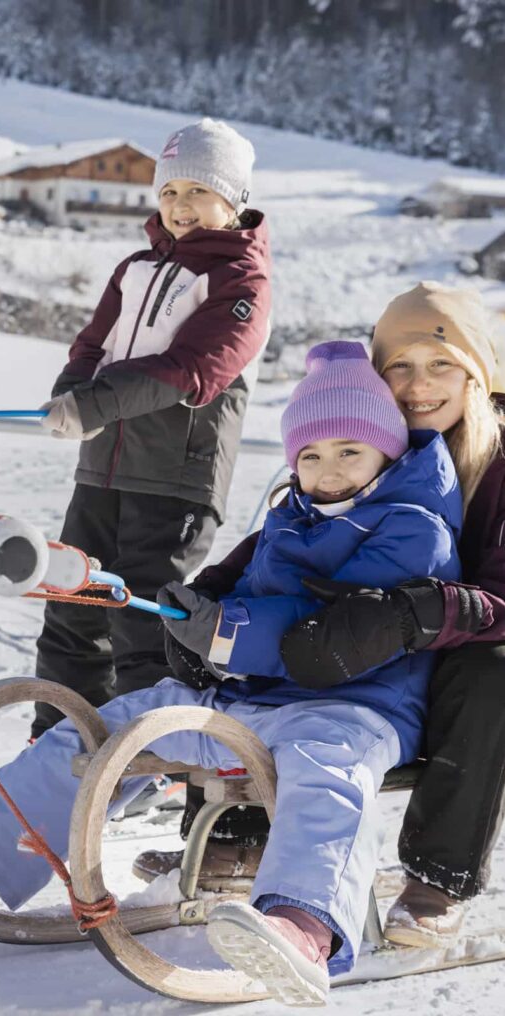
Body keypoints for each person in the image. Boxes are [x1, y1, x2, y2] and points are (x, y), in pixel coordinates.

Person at [0, 341, 462, 1006]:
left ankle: (303, 926)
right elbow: (252, 598)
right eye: (311, 456)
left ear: (386, 451)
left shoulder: (416, 527)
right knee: (119, 722)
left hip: (357, 704)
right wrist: (195, 622)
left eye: (349, 452)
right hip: (253, 698)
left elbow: (333, 631)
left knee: (327, 774)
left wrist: (226, 631)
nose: (327, 472)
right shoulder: (290, 514)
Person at [133, 283, 505, 949]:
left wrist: (418, 612)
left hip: (457, 653)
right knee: (254, 631)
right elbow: (289, 535)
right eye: (400, 367)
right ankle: (232, 837)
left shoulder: (499, 466)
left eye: (441, 364)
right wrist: (212, 594)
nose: (419, 386)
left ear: (477, 372)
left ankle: (434, 878)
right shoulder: (363, 444)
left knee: (492, 672)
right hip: (346, 638)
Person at [31, 118, 271, 741]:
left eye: (197, 192)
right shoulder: (135, 267)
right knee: (71, 605)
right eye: (169, 193)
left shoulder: (241, 281)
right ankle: (57, 749)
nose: (180, 206)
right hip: (103, 469)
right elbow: (93, 344)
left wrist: (96, 404)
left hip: (175, 480)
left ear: (233, 199)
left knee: (140, 619)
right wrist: (70, 394)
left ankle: (150, 758)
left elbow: (191, 368)